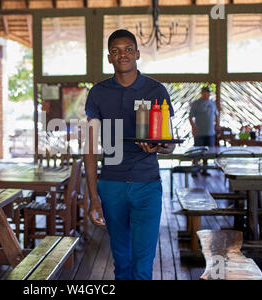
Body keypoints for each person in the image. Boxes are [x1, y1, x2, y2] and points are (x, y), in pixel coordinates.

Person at [83, 29, 175, 280]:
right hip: (111, 185)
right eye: (116, 51)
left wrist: (160, 147)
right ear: (109, 58)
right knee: (122, 262)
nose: (122, 54)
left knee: (142, 264)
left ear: (137, 54)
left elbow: (169, 143)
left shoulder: (156, 90)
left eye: (127, 49)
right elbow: (90, 148)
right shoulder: (98, 93)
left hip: (147, 185)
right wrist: (93, 197)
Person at [188, 86, 220, 176]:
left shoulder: (212, 103)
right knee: (197, 151)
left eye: (208, 92)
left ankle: (205, 170)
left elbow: (216, 114)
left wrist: (217, 125)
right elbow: (190, 117)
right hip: (199, 132)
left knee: (208, 152)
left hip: (210, 132)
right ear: (202, 93)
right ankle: (195, 169)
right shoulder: (196, 103)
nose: (206, 94)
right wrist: (193, 128)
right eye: (204, 92)